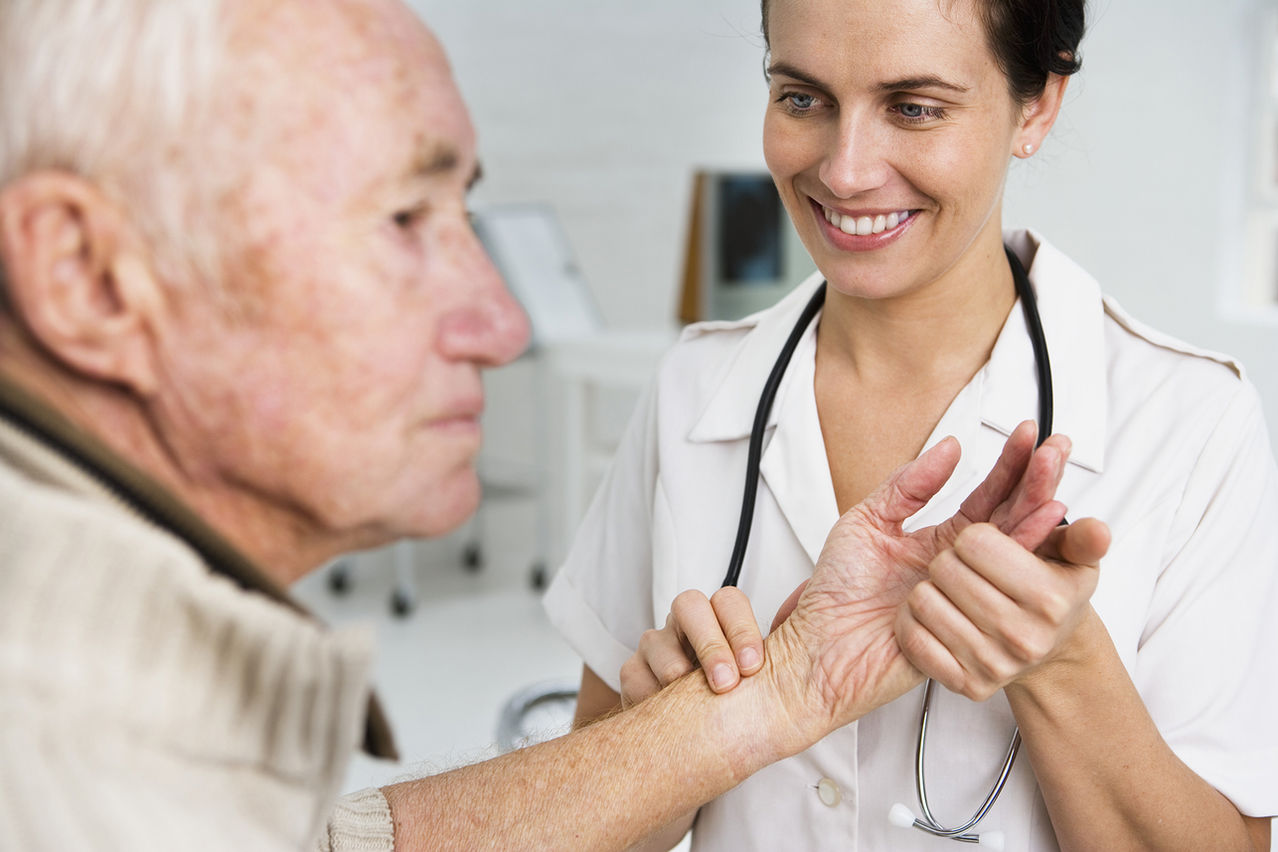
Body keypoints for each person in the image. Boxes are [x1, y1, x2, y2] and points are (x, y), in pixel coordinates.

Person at [0, 1, 1092, 850]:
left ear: (1035, 106)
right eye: (401, 218)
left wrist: (781, 692)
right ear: (88, 278)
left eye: (464, 211)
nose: (502, 319)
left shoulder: (127, 733)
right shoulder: (47, 757)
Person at [546, 0, 1278, 849]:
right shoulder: (694, 387)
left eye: (915, 108)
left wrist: (1061, 664)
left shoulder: (1187, 420)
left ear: (1036, 104)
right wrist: (669, 756)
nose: (846, 171)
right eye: (802, 99)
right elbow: (576, 823)